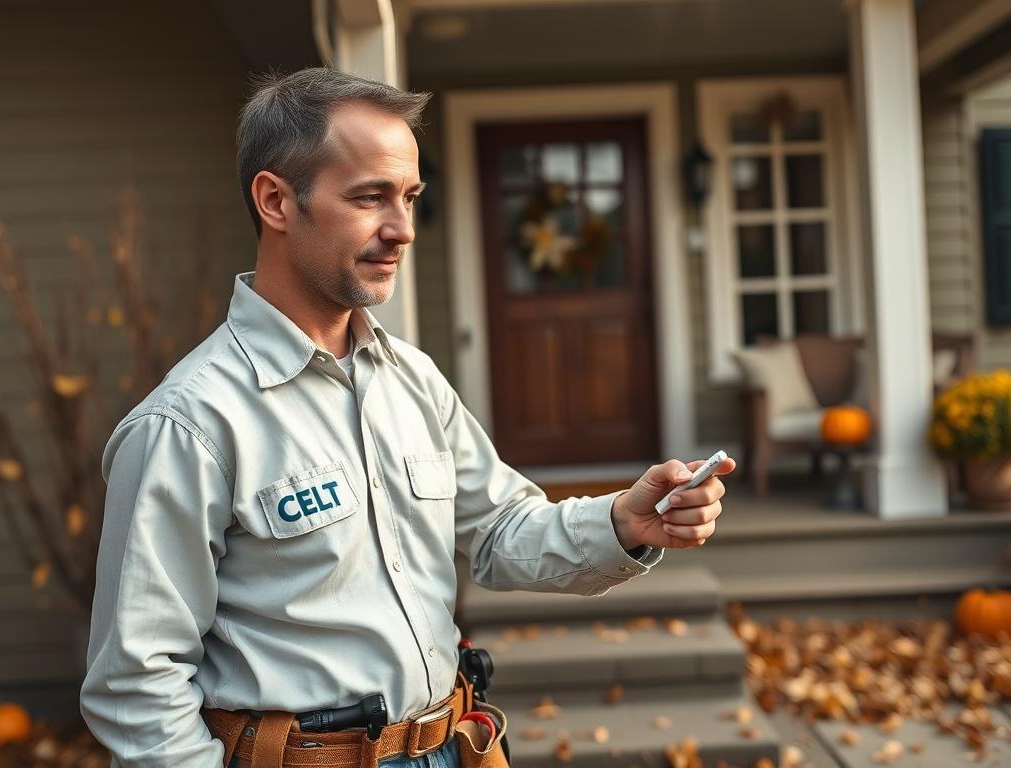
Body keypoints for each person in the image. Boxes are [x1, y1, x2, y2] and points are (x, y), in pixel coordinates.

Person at [79, 67, 734, 768]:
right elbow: (137, 685)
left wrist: (620, 523)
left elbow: (500, 532)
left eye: (411, 198)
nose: (403, 230)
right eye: (370, 198)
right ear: (275, 201)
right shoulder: (190, 425)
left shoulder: (411, 380)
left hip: (453, 746)